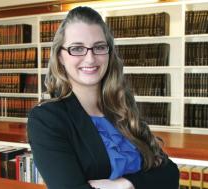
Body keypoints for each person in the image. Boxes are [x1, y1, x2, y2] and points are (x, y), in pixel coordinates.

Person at [27, 6, 179, 189]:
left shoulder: (122, 106)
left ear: (109, 53)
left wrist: (124, 185)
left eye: (99, 47)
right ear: (60, 56)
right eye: (77, 48)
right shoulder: (47, 118)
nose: (90, 58)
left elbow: (170, 173)